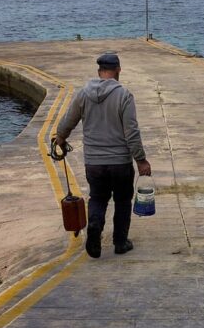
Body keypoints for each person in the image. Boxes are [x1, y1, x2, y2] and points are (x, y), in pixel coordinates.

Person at [54, 51, 151, 258]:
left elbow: (68, 121)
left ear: (99, 71)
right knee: (123, 201)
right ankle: (120, 242)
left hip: (94, 163)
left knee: (97, 198)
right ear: (118, 71)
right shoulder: (124, 95)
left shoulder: (83, 94)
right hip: (120, 163)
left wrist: (60, 139)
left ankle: (95, 228)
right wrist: (141, 160)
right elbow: (131, 132)